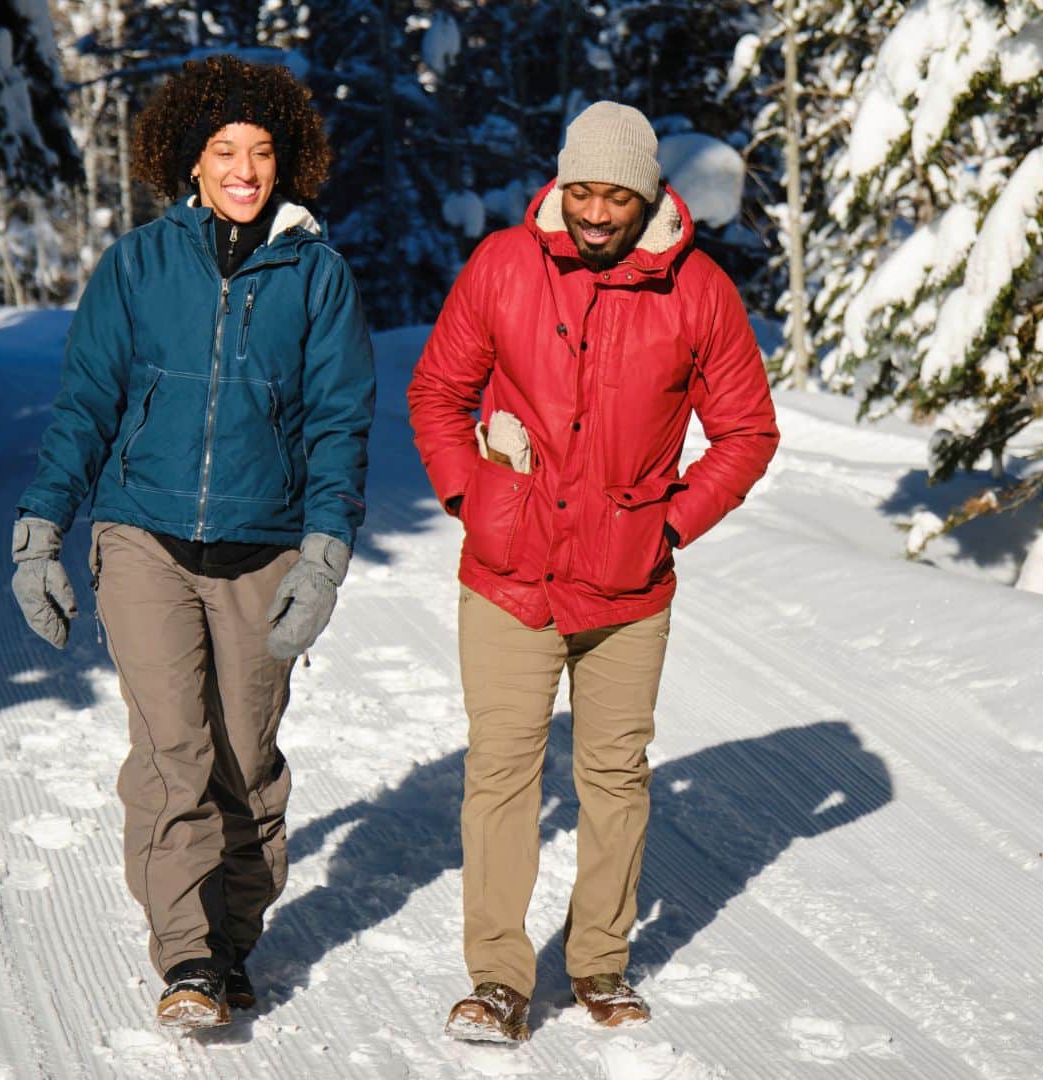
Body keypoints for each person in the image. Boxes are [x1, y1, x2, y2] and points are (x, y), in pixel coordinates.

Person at [8, 57, 373, 1030]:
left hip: (264, 545)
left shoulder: (318, 274)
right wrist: (42, 528)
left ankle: (234, 938)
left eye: (261, 152)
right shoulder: (138, 266)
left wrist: (324, 557)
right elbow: (86, 404)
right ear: (192, 161)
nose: (244, 170)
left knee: (245, 761)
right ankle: (186, 954)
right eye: (225, 152)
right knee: (173, 746)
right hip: (144, 539)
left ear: (287, 160)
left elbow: (341, 424)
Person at [407, 101, 779, 1042]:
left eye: (617, 194)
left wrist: (672, 525)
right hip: (509, 574)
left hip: (628, 585)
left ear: (648, 193)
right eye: (583, 191)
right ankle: (496, 979)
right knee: (502, 772)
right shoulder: (503, 265)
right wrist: (470, 497)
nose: (598, 212)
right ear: (560, 184)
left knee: (615, 775)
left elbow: (746, 432)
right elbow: (438, 392)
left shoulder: (698, 291)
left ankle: (599, 961)